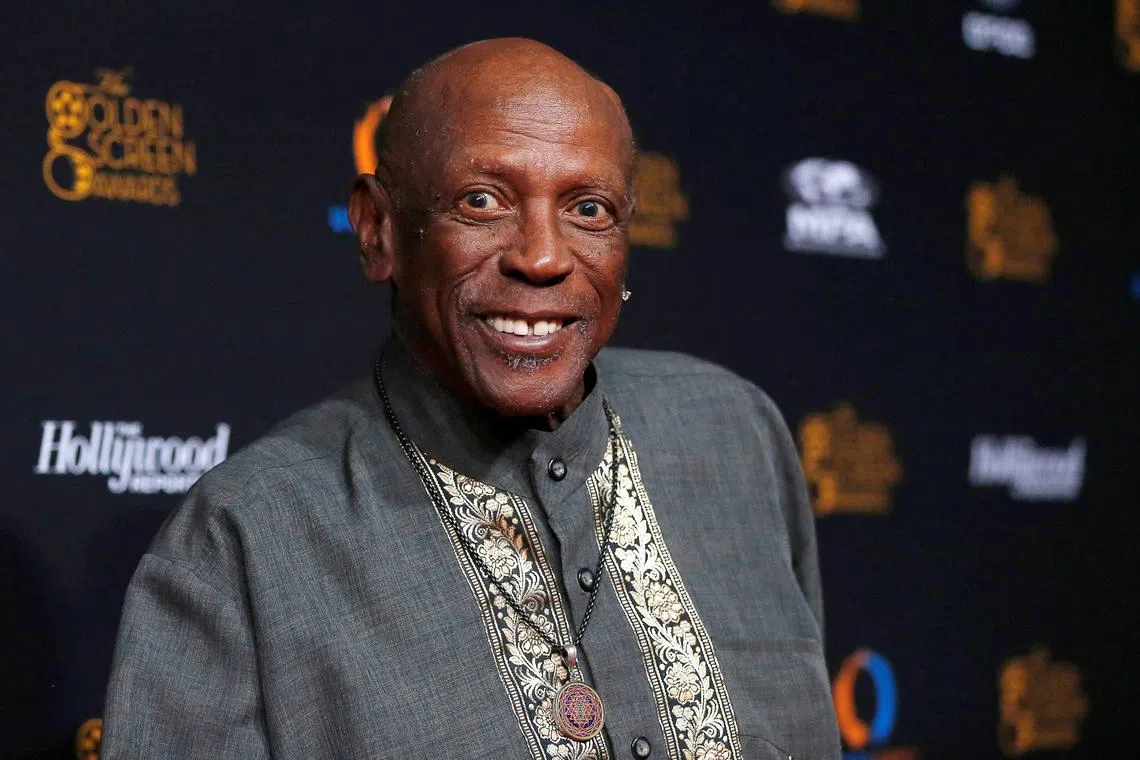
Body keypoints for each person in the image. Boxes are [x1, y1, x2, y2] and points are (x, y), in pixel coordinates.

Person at [101, 38, 840, 760]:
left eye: (589, 209)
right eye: (482, 201)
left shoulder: (733, 431)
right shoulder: (247, 537)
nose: (543, 257)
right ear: (378, 231)